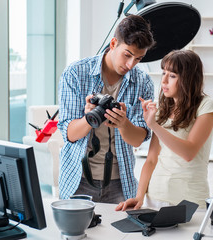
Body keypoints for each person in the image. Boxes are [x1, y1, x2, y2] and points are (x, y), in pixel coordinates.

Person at [57, 15, 155, 203]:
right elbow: (68, 134)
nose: (131, 65)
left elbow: (138, 141)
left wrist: (123, 123)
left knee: (121, 233)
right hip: (78, 180)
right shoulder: (76, 73)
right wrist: (88, 118)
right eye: (127, 55)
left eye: (138, 59)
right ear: (113, 44)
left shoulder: (142, 82)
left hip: (121, 182)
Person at [116, 49, 213, 210]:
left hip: (189, 200)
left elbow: (189, 153)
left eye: (172, 76)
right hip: (154, 198)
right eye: (164, 73)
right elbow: (151, 160)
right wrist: (139, 197)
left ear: (188, 79)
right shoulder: (162, 109)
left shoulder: (206, 105)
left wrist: (154, 125)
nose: (164, 81)